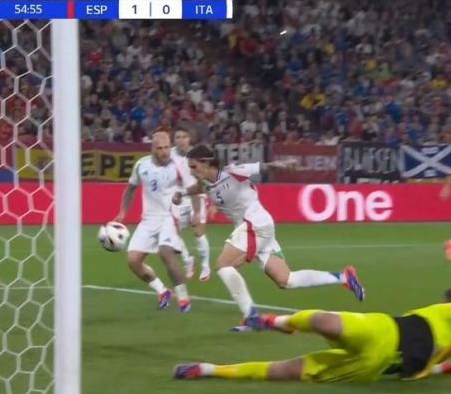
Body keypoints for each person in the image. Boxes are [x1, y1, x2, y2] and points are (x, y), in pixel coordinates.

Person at [174, 145, 366, 331]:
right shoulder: (206, 182)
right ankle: (343, 277)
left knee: (223, 264)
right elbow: (198, 188)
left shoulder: (232, 172)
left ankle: (251, 316)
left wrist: (284, 165)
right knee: (286, 280)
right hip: (258, 227)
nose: (191, 171)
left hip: (254, 223)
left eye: (194, 167)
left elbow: (263, 167)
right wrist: (181, 193)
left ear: (206, 163)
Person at [173, 285, 451, 382]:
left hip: (386, 326)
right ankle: (208, 370)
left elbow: (431, 356)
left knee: (324, 320)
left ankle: (279, 321)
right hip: (385, 360)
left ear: (446, 300)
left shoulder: (435, 310)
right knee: (288, 370)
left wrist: (449, 366)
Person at [115, 132, 197, 312]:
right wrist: (123, 212)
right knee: (133, 261)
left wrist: (183, 195)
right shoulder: (141, 165)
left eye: (167, 147)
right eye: (160, 148)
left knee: (165, 253)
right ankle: (162, 290)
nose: (164, 151)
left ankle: (183, 298)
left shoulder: (178, 166)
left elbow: (195, 187)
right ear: (152, 148)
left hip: (168, 217)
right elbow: (130, 188)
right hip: (148, 219)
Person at [171, 126, 211, 282]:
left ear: (190, 139)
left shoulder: (198, 156)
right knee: (172, 234)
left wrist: (197, 211)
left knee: (198, 232)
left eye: (184, 137)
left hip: (196, 195)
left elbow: (202, 182)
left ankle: (205, 266)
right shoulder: (169, 155)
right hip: (178, 198)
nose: (181, 140)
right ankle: (188, 259)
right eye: (178, 137)